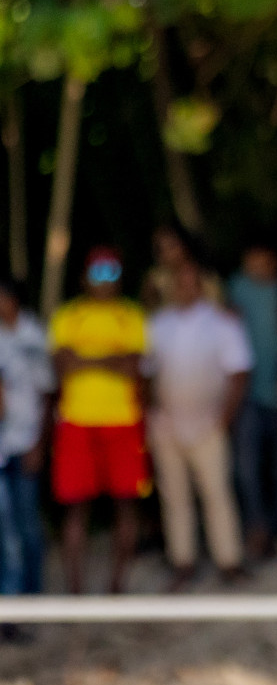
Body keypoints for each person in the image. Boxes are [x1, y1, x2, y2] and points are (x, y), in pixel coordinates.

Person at [49, 247, 151, 594]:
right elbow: (62, 365)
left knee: (126, 505)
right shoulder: (68, 316)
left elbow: (133, 367)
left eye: (111, 272)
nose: (104, 280)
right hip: (76, 422)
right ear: (84, 277)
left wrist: (86, 359)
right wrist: (112, 360)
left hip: (124, 422)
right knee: (76, 509)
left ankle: (116, 589)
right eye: (98, 272)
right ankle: (75, 592)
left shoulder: (131, 315)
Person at [145, 259, 253, 588]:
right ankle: (182, 560)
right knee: (174, 497)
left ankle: (229, 560)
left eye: (192, 281)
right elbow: (145, 373)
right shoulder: (157, 324)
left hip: (208, 423)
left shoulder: (222, 323)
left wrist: (224, 419)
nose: (185, 288)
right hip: (167, 423)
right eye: (179, 282)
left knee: (217, 493)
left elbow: (239, 373)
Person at [226, 242, 277, 559]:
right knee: (247, 467)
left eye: (262, 261)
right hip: (247, 393)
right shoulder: (236, 288)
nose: (256, 267)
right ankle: (256, 527)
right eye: (250, 261)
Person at [0, 279, 55, 594]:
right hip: (2, 446)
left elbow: (47, 395)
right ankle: (10, 598)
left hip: (25, 442)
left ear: (14, 300)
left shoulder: (33, 337)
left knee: (27, 525)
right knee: (5, 527)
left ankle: (32, 597)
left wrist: (39, 444)